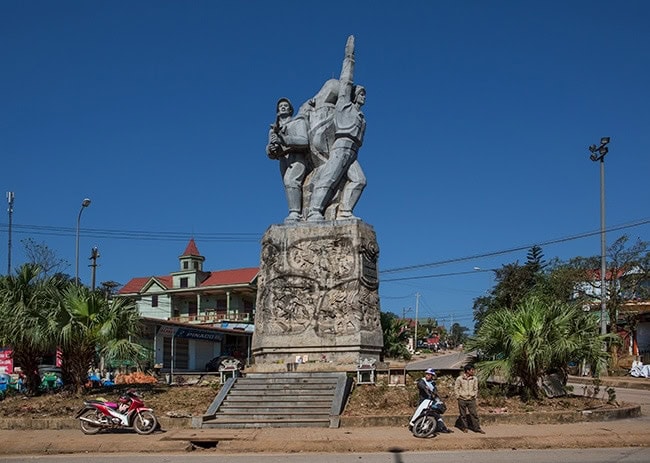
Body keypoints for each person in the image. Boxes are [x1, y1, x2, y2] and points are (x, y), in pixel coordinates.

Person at [307, 35, 367, 221]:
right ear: (353, 95)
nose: (364, 97)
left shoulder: (361, 117)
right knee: (329, 178)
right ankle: (314, 211)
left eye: (365, 94)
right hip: (340, 147)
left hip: (353, 151)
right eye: (361, 93)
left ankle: (344, 212)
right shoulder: (344, 105)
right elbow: (346, 82)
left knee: (359, 180)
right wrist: (349, 58)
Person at [266, 97, 310, 223]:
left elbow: (304, 141)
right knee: (289, 186)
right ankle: (299, 212)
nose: (283, 107)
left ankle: (295, 213)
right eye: (280, 106)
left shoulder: (298, 122)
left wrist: (285, 140)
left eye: (286, 105)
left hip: (297, 157)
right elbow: (270, 152)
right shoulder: (273, 129)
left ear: (290, 109)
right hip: (283, 160)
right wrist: (272, 149)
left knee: (291, 181)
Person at [409, 368, 453, 433]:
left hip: (430, 401)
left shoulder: (433, 383)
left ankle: (442, 427)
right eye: (427, 374)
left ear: (432, 376)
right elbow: (421, 386)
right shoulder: (422, 381)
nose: (427, 376)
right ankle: (413, 425)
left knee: (436, 414)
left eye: (429, 375)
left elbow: (435, 392)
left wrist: (438, 398)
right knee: (419, 413)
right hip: (423, 401)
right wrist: (427, 391)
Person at [454, 364, 485, 433]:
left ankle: (477, 428)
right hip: (462, 399)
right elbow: (456, 388)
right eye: (472, 370)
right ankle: (464, 427)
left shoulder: (474, 379)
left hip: (471, 399)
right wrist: (458, 397)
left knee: (474, 414)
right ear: (467, 371)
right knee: (463, 415)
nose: (473, 371)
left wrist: (474, 395)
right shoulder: (460, 378)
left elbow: (476, 388)